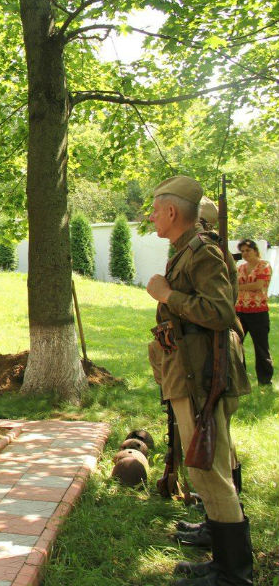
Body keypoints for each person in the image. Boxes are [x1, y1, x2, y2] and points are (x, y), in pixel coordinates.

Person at [145, 176, 252, 585]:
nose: (152, 217)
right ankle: (223, 560)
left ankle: (232, 575)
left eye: (156, 210)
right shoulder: (187, 250)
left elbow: (221, 312)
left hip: (201, 376)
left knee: (209, 470)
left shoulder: (201, 251)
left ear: (172, 212)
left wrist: (167, 295)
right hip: (192, 371)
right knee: (209, 467)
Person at [235, 238, 273, 386]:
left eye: (248, 250)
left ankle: (265, 380)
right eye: (242, 251)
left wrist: (239, 287)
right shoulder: (240, 268)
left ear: (256, 251)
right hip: (240, 311)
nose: (245, 253)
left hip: (258, 312)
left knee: (261, 347)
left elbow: (258, 285)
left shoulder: (264, 265)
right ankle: (240, 378)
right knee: (236, 345)